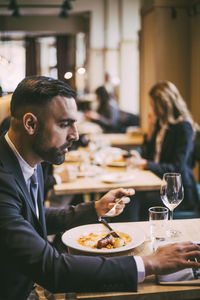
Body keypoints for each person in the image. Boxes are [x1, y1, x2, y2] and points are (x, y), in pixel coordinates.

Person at [0, 76, 200, 300]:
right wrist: (148, 262)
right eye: (64, 124)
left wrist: (95, 208)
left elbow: (32, 217)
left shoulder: (29, 158)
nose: (75, 134)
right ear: (30, 124)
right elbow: (52, 268)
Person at [129, 81, 199, 219]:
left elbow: (176, 167)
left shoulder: (183, 128)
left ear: (165, 104)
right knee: (130, 195)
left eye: (154, 106)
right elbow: (150, 155)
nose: (153, 109)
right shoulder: (161, 124)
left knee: (135, 201)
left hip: (178, 191)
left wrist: (145, 164)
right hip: (158, 184)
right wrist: (149, 131)